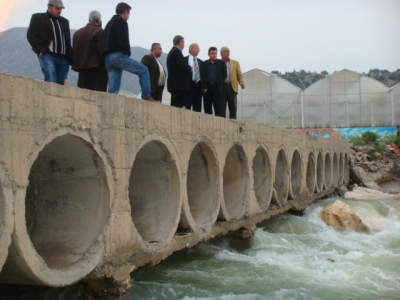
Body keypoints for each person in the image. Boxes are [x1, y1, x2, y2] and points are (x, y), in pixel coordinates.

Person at [102, 2, 156, 101]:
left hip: (108, 57)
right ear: (125, 12)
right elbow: (123, 40)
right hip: (118, 55)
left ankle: (110, 100)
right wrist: (127, 52)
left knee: (113, 87)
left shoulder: (109, 23)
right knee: (143, 70)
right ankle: (146, 95)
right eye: (129, 13)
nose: (129, 15)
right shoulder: (121, 22)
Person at [27, 0, 73, 85]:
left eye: (61, 9)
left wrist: (68, 55)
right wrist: (39, 50)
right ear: (49, 7)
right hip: (48, 55)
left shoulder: (64, 21)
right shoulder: (38, 18)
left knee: (61, 84)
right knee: (51, 80)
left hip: (63, 58)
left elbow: (67, 39)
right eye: (57, 8)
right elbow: (31, 35)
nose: (59, 11)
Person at [72, 10, 107, 92]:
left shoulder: (77, 33)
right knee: (98, 97)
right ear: (99, 20)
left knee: (83, 96)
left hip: (81, 69)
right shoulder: (100, 32)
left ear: (89, 19)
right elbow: (102, 51)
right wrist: (105, 66)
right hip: (97, 70)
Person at [220, 46, 245, 119]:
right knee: (222, 108)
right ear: (221, 53)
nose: (228, 52)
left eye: (228, 51)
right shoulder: (219, 62)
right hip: (222, 88)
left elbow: (239, 75)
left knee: (233, 108)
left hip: (232, 87)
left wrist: (242, 83)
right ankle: (222, 124)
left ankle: (233, 124)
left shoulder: (235, 63)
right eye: (226, 51)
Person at [167, 35, 192, 108]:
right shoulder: (177, 52)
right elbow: (182, 65)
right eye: (183, 43)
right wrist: (189, 68)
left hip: (174, 84)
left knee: (174, 106)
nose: (184, 45)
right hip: (179, 85)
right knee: (180, 106)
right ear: (180, 42)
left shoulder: (171, 52)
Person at [203, 47, 227, 117]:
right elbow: (203, 76)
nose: (214, 55)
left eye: (215, 53)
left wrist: (220, 83)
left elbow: (224, 74)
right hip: (207, 88)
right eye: (212, 53)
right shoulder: (204, 64)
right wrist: (204, 86)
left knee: (219, 109)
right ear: (208, 54)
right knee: (207, 110)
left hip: (217, 88)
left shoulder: (221, 63)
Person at [184, 43, 207, 112]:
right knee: (187, 106)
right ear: (191, 49)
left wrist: (204, 86)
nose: (198, 50)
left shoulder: (201, 62)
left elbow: (203, 75)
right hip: (188, 85)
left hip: (198, 86)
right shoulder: (184, 60)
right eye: (197, 48)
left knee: (197, 108)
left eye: (198, 48)